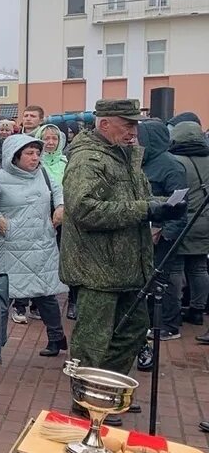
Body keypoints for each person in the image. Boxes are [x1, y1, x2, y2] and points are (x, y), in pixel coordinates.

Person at [62, 100, 186, 425]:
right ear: (105, 125)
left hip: (128, 266)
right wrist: (148, 209)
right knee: (92, 340)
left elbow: (131, 200)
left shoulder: (124, 155)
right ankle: (87, 403)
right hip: (98, 267)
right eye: (127, 125)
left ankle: (106, 393)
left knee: (132, 330)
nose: (134, 131)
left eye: (135, 125)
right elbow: (85, 209)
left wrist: (163, 204)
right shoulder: (88, 159)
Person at [0, 135, 68, 354]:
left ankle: (56, 338)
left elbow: (59, 190)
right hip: (11, 245)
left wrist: (60, 207)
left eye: (37, 153)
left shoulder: (43, 174)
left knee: (45, 294)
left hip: (41, 243)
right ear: (14, 156)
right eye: (29, 153)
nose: (35, 158)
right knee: (2, 298)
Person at [139, 118, 188, 347]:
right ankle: (149, 321)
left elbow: (180, 204)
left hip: (164, 235)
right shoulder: (143, 162)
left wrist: (166, 233)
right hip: (145, 233)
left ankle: (168, 325)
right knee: (148, 280)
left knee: (162, 280)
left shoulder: (171, 165)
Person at [167, 122, 209, 336]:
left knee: (175, 268)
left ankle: (173, 314)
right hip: (205, 223)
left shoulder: (175, 161)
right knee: (200, 268)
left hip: (184, 223)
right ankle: (197, 310)